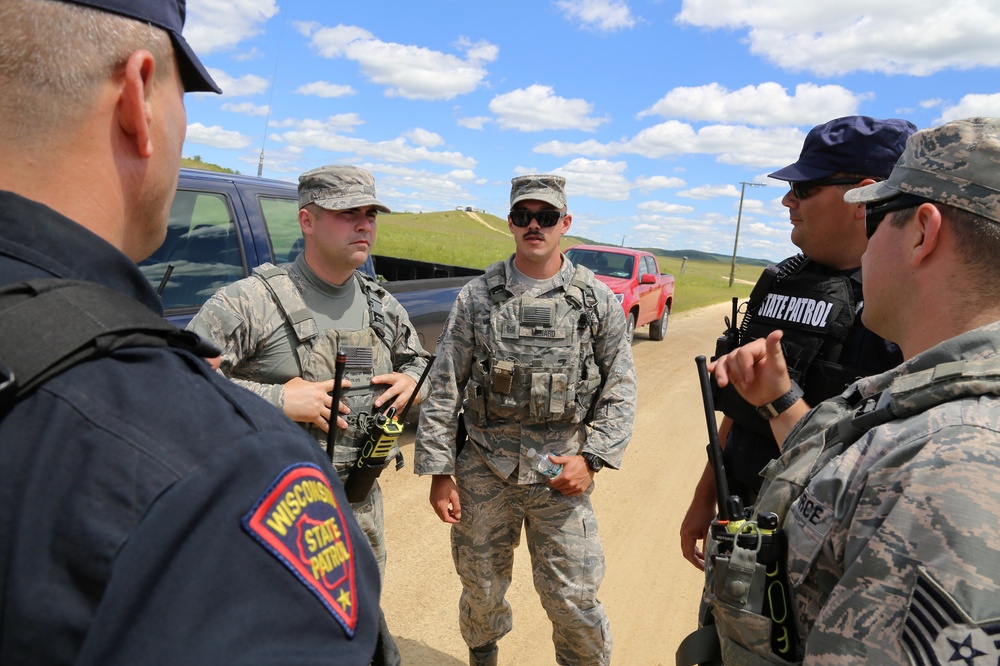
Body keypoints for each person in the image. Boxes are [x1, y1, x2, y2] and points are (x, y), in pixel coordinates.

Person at [0, 0, 381, 664]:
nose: (364, 227)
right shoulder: (228, 471)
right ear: (138, 97)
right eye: (185, 93)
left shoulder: (376, 302)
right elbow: (201, 381)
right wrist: (271, 410)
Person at [704, 117, 1000, 663]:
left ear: (922, 231)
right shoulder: (925, 391)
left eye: (879, 216)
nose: (868, 234)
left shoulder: (957, 457)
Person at [414, 174, 637, 666]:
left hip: (560, 476)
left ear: (566, 223)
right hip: (484, 470)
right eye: (523, 216)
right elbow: (444, 384)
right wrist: (439, 472)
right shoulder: (478, 297)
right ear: (511, 223)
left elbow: (620, 386)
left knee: (574, 597)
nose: (534, 225)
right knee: (481, 588)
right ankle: (483, 658)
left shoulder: (594, 300)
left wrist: (593, 459)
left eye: (547, 216)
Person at [679, 116, 916, 570]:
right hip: (742, 524)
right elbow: (741, 413)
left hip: (829, 548)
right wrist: (704, 497)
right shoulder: (782, 279)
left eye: (804, 189)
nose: (788, 200)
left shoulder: (902, 309)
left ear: (861, 197)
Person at [188, 165, 429, 580]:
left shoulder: (381, 305)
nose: (364, 225)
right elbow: (180, 382)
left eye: (370, 214)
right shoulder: (250, 303)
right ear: (307, 220)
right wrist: (278, 400)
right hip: (270, 513)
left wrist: (411, 383)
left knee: (355, 626)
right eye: (348, 212)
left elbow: (421, 362)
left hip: (360, 508)